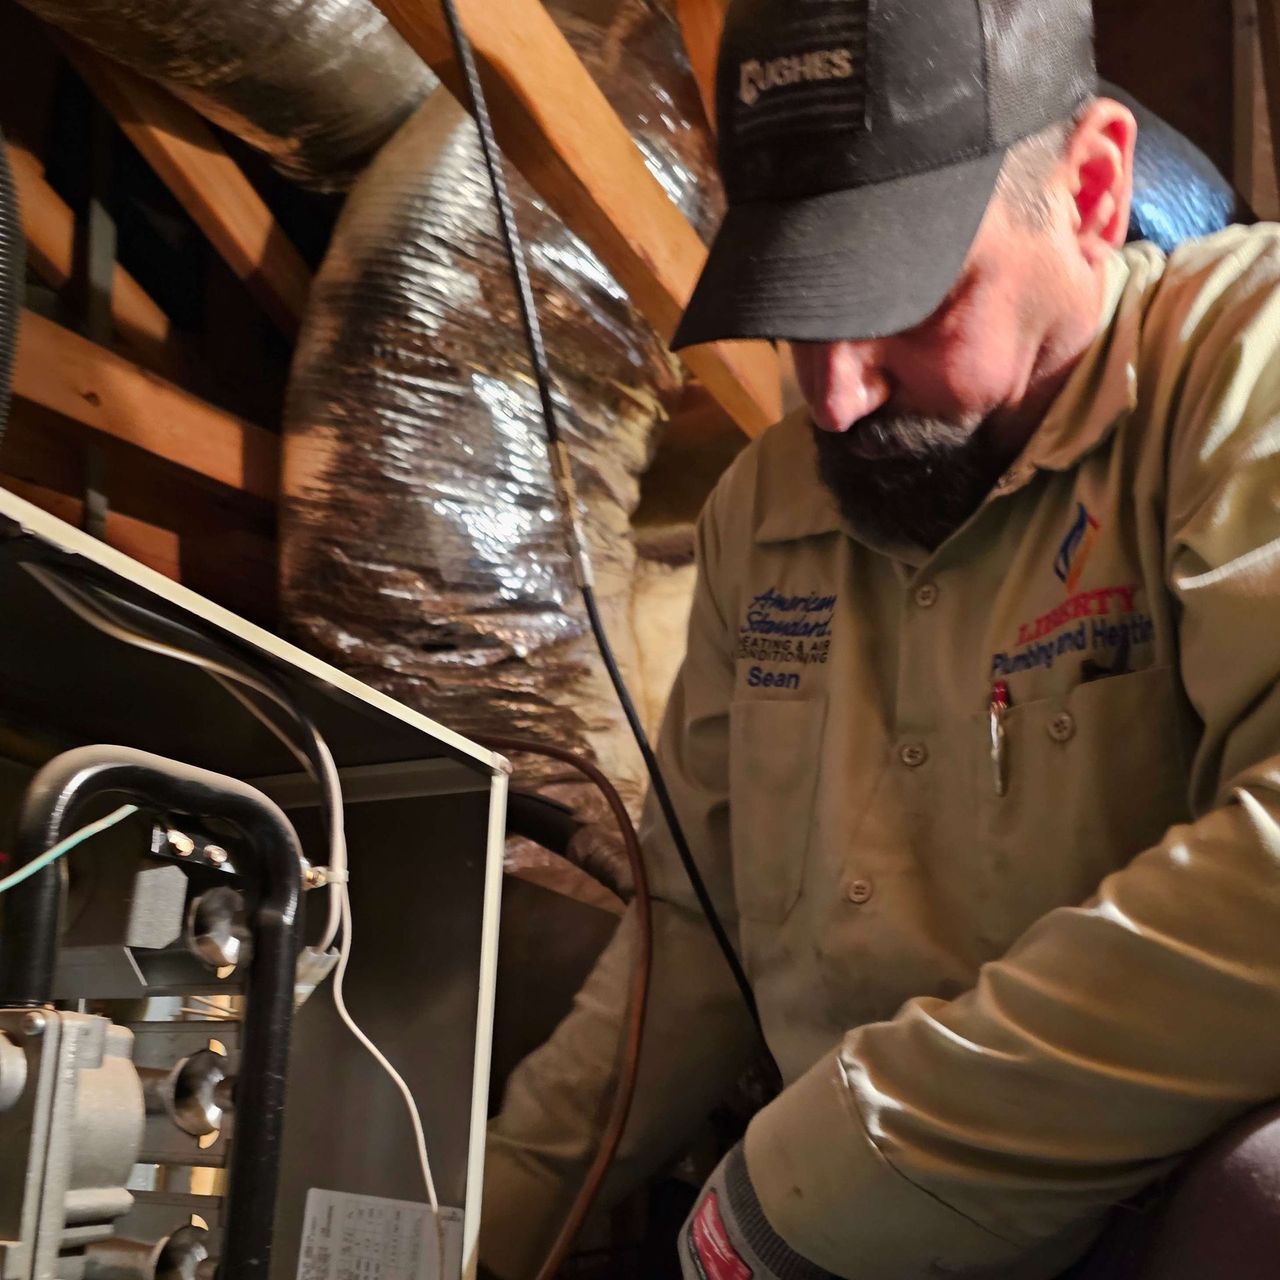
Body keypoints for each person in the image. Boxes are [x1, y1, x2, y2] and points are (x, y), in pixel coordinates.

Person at [480, 1, 1280, 1277]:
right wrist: (478, 1231)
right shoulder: (765, 505)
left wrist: (840, 1162)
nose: (833, 394)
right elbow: (695, 921)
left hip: (1129, 1217)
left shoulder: (1244, 361)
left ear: (1089, 187)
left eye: (910, 299)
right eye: (797, 311)